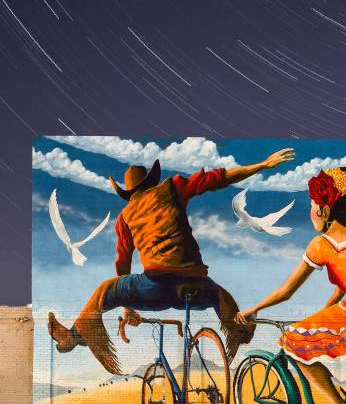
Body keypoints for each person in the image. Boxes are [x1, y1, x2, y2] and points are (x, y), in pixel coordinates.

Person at [47, 148, 295, 374]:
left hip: (155, 287)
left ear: (128, 192)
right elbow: (219, 178)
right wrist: (262, 164)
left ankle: (73, 336)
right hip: (197, 287)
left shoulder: (125, 217)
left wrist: (127, 307)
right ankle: (240, 331)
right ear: (151, 180)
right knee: (222, 296)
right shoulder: (172, 188)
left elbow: (123, 263)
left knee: (104, 290)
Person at [236, 167, 346, 404]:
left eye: (311, 206)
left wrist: (252, 310)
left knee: (292, 342)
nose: (310, 213)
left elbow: (287, 291)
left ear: (324, 211)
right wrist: (327, 310)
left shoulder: (321, 245)